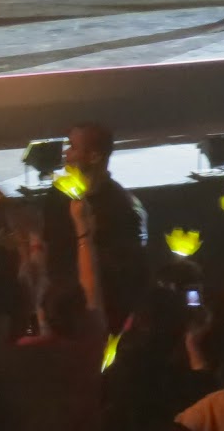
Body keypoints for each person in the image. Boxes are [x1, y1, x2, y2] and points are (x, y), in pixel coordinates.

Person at [66, 122, 149, 330]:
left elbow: (128, 275)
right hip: (72, 318)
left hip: (105, 321)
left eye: (73, 147)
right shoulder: (63, 198)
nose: (66, 154)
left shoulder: (122, 207)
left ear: (94, 156)